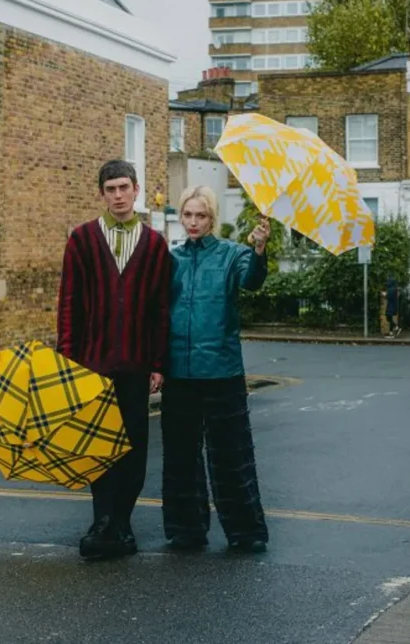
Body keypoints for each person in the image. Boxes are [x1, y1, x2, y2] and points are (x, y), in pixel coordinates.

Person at [57, 160, 170, 560]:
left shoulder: (155, 244)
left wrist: (159, 363)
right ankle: (103, 522)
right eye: (111, 189)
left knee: (134, 449)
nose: (118, 195)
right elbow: (68, 305)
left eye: (124, 187)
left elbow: (160, 309)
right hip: (92, 367)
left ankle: (121, 521)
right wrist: (67, 362)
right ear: (101, 193)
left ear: (137, 190)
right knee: (97, 447)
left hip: (136, 366)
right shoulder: (83, 240)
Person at [161, 186, 270, 553]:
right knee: (180, 457)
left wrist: (258, 248)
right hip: (179, 371)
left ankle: (245, 531)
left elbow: (251, 280)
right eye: (188, 215)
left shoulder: (231, 254)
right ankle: (185, 529)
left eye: (201, 216)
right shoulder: (170, 259)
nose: (193, 222)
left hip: (222, 370)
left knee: (231, 455)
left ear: (212, 218)